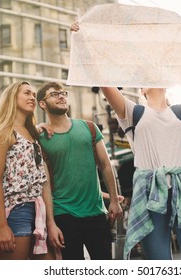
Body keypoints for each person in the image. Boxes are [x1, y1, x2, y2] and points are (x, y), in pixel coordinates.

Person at [71, 20, 181, 260]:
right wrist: (84, 42)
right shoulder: (134, 113)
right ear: (142, 90)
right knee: (159, 262)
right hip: (149, 190)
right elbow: (103, 81)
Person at [36, 81, 123, 260]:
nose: (61, 96)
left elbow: (106, 165)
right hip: (63, 214)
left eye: (63, 93)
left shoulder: (89, 128)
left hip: (96, 212)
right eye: (54, 94)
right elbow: (44, 182)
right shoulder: (41, 139)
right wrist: (51, 223)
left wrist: (114, 200)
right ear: (42, 104)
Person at [0, 81, 57, 260]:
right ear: (12, 98)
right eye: (27, 93)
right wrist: (2, 226)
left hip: (39, 210)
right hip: (16, 210)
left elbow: (40, 176)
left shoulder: (32, 134)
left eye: (33, 94)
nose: (32, 97)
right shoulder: (3, 132)